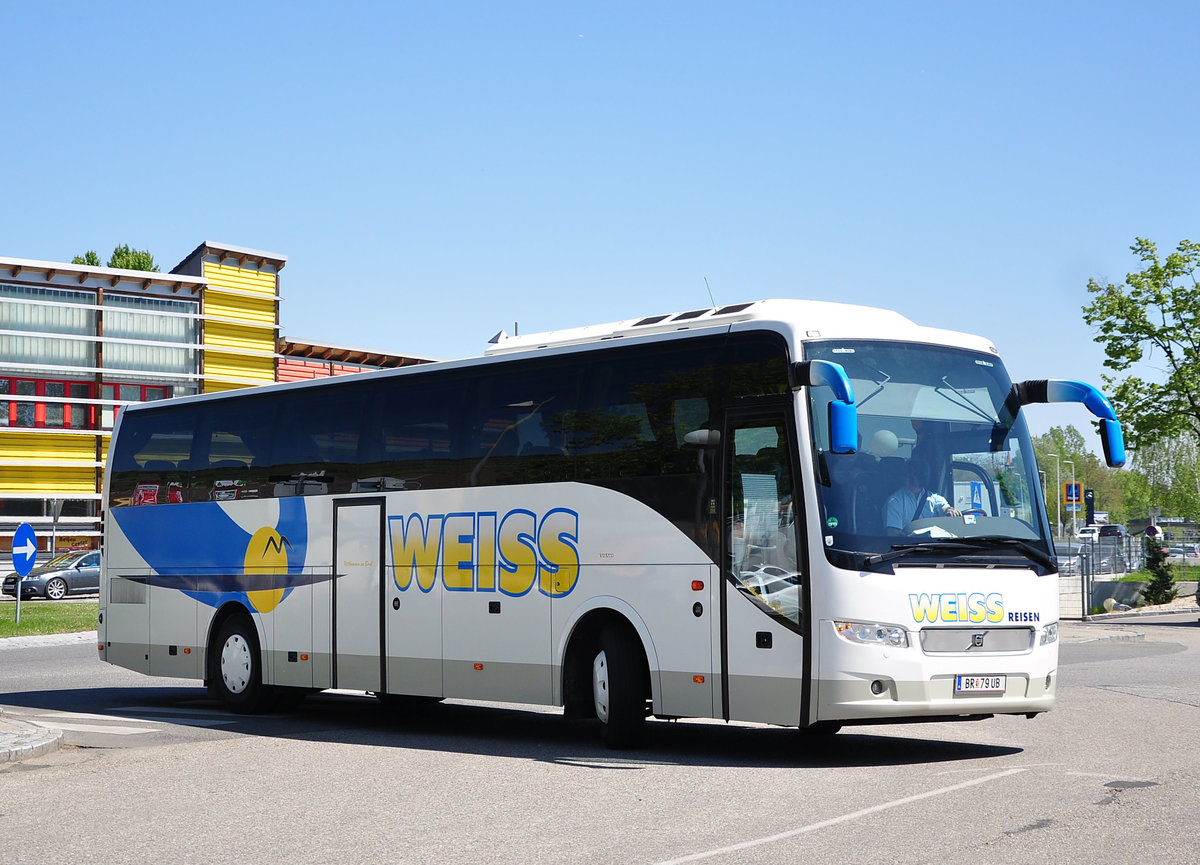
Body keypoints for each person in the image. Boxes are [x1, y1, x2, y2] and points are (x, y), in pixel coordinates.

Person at [884, 462, 961, 535]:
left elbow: (945, 508)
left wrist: (950, 511)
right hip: (908, 547)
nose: (916, 477)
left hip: (935, 545)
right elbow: (893, 534)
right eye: (913, 474)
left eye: (919, 474)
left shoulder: (934, 498)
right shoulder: (896, 501)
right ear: (905, 477)